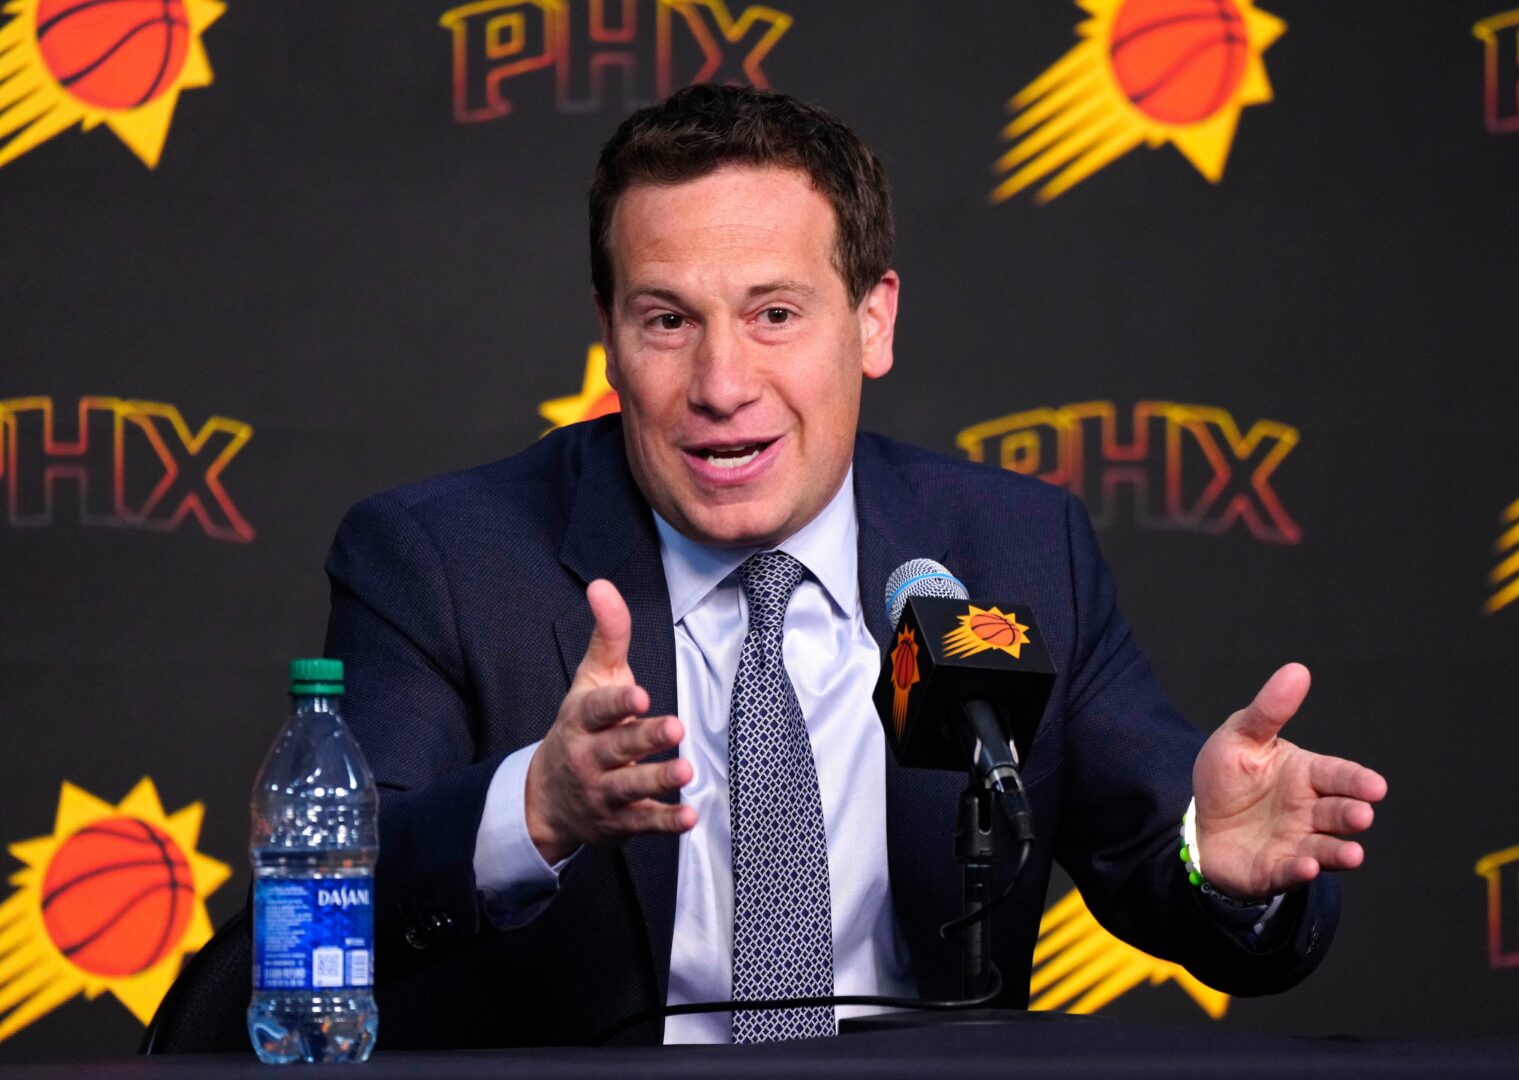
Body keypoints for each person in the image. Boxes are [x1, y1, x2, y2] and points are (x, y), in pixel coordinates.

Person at [323, 84, 1387, 1049]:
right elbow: (326, 903)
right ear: (608, 332)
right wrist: (537, 807)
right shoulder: (447, 560)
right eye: (667, 321)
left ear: (872, 322)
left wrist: (1222, 861)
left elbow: (1179, 867)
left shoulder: (1008, 553)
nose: (721, 382)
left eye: (774, 315)